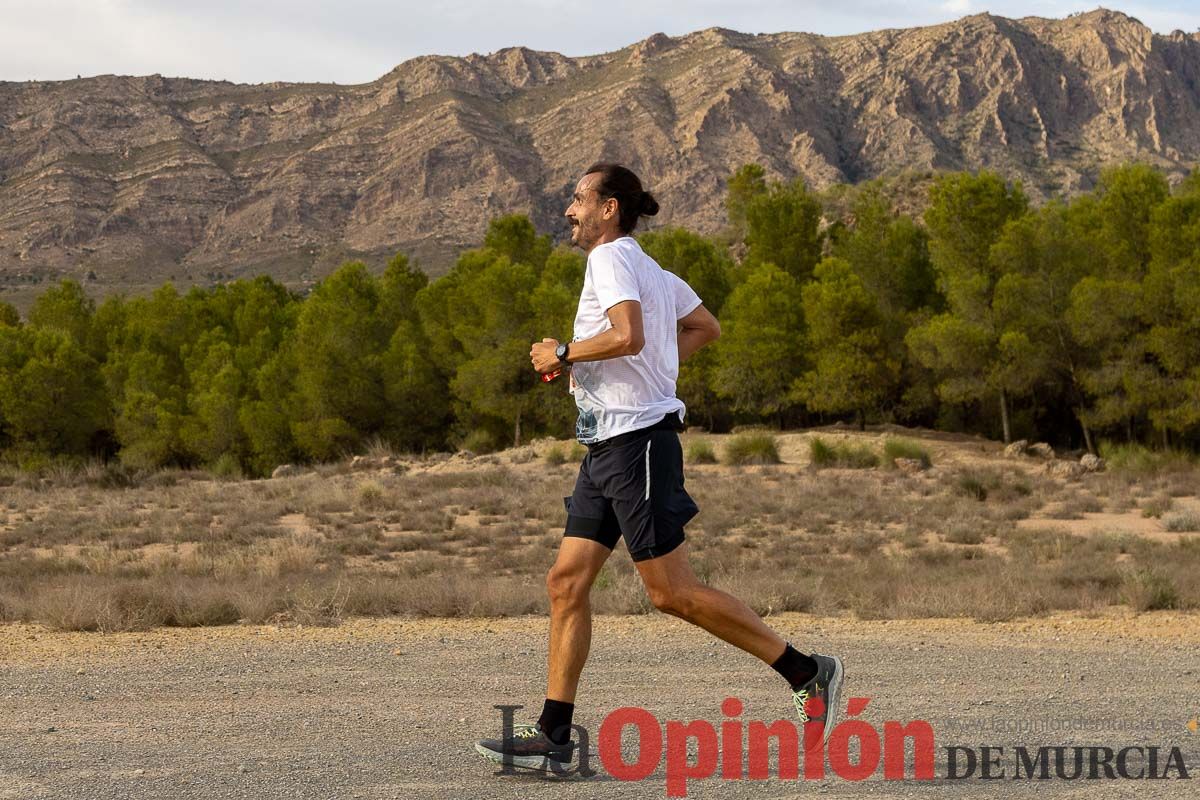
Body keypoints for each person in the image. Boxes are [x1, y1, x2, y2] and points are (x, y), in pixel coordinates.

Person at [475, 163, 844, 772]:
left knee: (670, 593)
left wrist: (565, 352)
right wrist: (641, 372)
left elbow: (627, 335)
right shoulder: (654, 271)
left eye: (577, 199)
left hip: (637, 445)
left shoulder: (610, 258)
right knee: (566, 582)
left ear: (609, 208)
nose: (569, 211)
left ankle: (807, 671)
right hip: (606, 446)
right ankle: (555, 732)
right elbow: (705, 327)